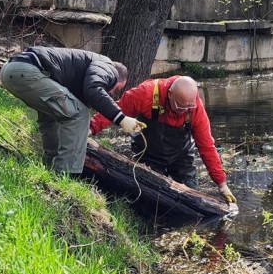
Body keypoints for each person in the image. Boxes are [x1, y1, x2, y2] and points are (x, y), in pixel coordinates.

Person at [89, 75, 237, 207]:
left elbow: (207, 147)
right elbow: (114, 110)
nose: (184, 111)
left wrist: (222, 184)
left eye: (189, 107)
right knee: (150, 199)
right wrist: (91, 128)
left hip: (181, 156)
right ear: (170, 94)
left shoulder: (195, 109)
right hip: (148, 154)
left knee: (193, 198)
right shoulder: (146, 93)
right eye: (180, 106)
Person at [0, 47, 145, 175]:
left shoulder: (83, 66)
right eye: (116, 89)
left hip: (11, 70)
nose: (112, 93)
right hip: (28, 71)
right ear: (116, 77)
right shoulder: (108, 67)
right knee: (79, 115)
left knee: (52, 117)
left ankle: (49, 165)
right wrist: (121, 118)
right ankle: (66, 174)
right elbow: (93, 89)